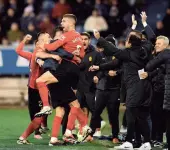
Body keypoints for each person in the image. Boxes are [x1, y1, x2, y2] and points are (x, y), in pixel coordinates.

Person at [93, 12, 153, 149]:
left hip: (134, 86)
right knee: (139, 116)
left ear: (130, 43)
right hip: (144, 86)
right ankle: (146, 142)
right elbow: (150, 38)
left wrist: (100, 39)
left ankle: (129, 142)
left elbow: (113, 50)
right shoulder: (145, 48)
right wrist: (142, 24)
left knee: (131, 114)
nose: (125, 42)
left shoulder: (127, 53)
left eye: (127, 40)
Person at [36, 14, 91, 145]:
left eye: (63, 21)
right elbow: (39, 54)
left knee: (40, 82)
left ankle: (46, 107)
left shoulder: (63, 38)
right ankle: (60, 136)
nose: (62, 23)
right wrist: (72, 56)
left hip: (62, 72)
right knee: (69, 106)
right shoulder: (70, 38)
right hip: (62, 74)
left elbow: (51, 49)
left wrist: (47, 47)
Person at [16, 34, 60, 144]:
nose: (50, 39)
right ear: (39, 43)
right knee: (36, 111)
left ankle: (39, 128)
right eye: (48, 38)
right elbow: (21, 51)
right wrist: (24, 41)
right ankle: (36, 131)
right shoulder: (35, 54)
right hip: (34, 88)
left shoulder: (44, 53)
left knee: (42, 110)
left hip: (39, 87)